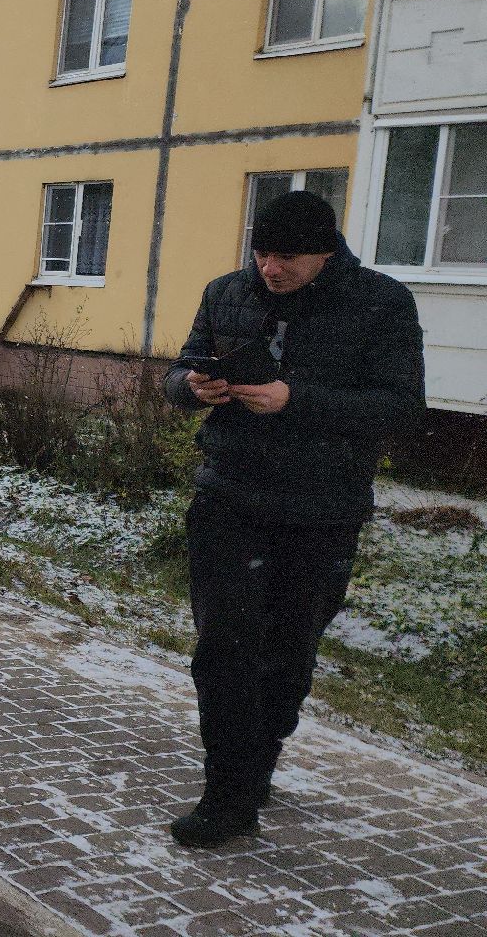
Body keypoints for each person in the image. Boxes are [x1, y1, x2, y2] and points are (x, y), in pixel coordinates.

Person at [161, 190, 424, 848]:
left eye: (287, 256)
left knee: (286, 659)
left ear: (325, 253)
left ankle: (256, 762)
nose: (270, 268)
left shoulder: (382, 304)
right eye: (262, 251)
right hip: (229, 500)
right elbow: (179, 370)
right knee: (224, 648)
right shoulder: (227, 292)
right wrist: (190, 387)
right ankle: (228, 796)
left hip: (321, 513)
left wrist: (293, 399)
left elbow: (400, 407)